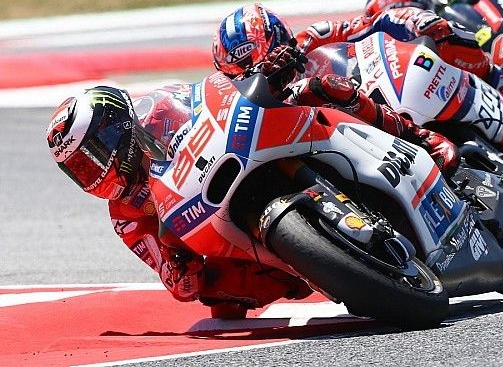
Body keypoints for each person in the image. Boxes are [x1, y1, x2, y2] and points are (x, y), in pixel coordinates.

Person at [46, 85, 311, 319]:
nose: (90, 174)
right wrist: (180, 264)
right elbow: (179, 286)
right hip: (222, 222)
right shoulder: (125, 217)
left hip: (237, 154)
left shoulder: (159, 109)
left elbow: (220, 94)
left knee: (309, 91)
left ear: (115, 130)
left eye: (91, 158)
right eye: (79, 170)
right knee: (220, 300)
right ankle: (313, 269)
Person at [286, 0, 503, 140]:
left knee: (468, 58)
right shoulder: (284, 84)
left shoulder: (313, 38)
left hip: (432, 73)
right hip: (385, 106)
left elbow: (328, 32)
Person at [212, 3, 458, 171]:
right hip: (297, 148)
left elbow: (372, 23)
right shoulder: (233, 103)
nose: (253, 73)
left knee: (318, 87)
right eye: (240, 72)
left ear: (279, 38)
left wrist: (417, 19)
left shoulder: (312, 39)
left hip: (376, 112)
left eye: (258, 61)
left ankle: (422, 139)